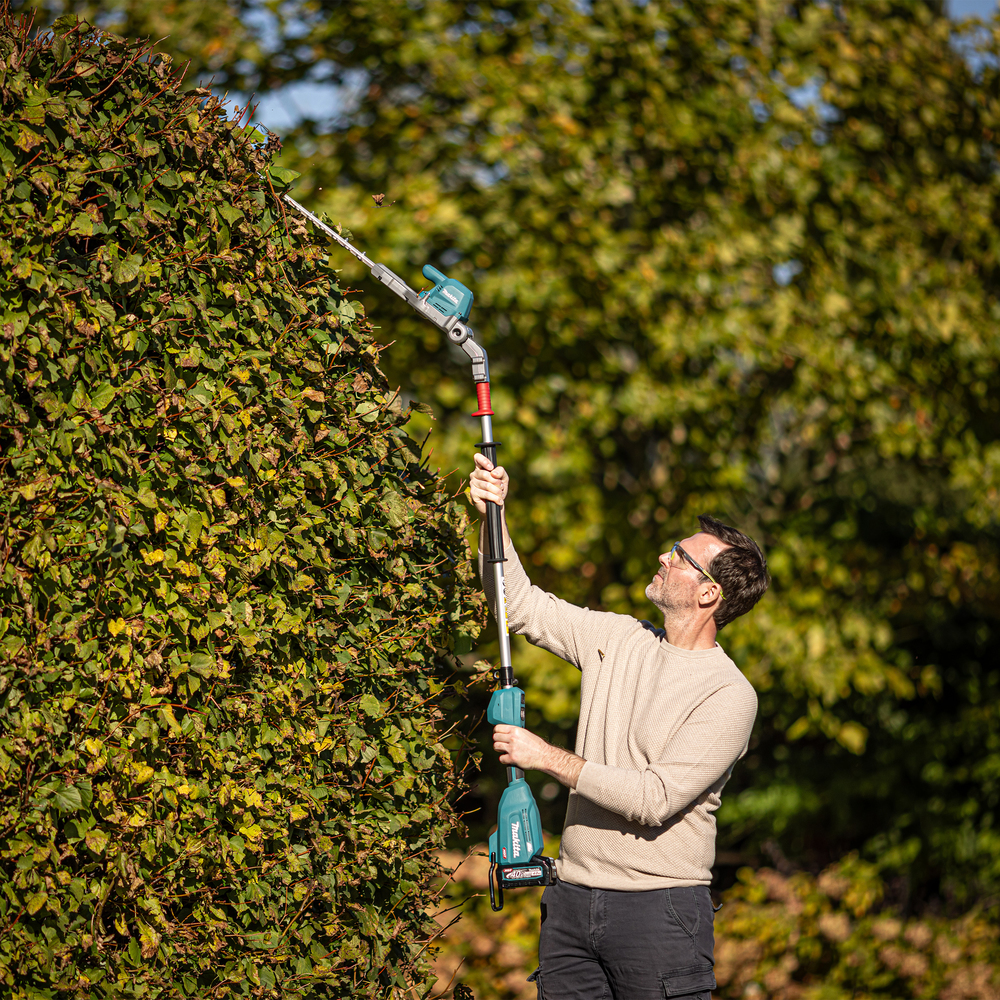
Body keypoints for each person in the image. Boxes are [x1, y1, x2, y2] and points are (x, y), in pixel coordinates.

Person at [468, 452, 770, 1000]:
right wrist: (495, 517)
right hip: (570, 901)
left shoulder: (729, 694)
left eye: (679, 557)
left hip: (659, 913)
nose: (664, 555)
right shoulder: (621, 637)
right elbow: (522, 608)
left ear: (708, 593)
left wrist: (546, 757)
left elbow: (655, 799)